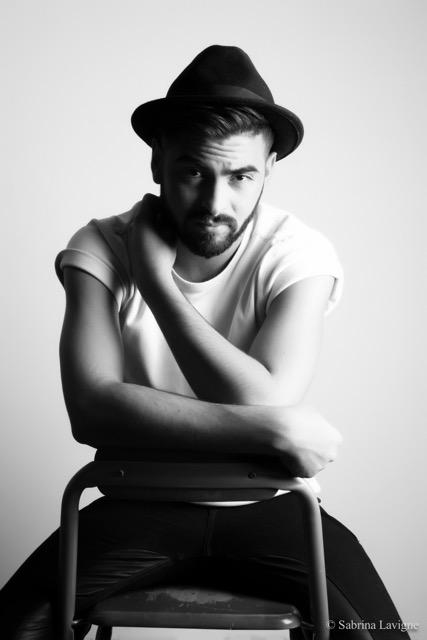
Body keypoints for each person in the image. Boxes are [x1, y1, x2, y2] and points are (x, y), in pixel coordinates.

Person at [0, 45, 410, 639]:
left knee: (380, 632)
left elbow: (263, 398)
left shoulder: (298, 253)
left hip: (271, 509)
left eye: (241, 176)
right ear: (157, 161)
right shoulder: (99, 246)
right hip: (135, 507)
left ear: (270, 168)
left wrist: (156, 289)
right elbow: (90, 411)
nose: (216, 204)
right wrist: (275, 432)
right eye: (193, 172)